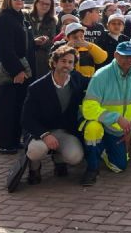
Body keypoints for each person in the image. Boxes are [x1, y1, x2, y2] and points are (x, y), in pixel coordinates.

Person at [80, 40, 131, 186]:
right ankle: (92, 168)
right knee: (93, 129)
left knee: (119, 167)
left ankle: (103, 150)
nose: (129, 60)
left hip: (119, 130)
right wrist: (116, 118)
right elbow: (88, 107)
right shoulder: (101, 75)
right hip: (101, 123)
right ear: (116, 55)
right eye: (125, 56)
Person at [21, 46, 89, 184]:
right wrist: (44, 135)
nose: (67, 65)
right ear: (54, 62)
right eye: (63, 61)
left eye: (70, 62)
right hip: (40, 132)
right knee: (36, 151)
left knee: (75, 157)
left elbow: (97, 82)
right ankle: (34, 168)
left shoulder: (77, 79)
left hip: (65, 131)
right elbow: (26, 118)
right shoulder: (37, 87)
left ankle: (58, 159)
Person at [0, 0, 36, 154]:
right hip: (11, 70)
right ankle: (1, 142)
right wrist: (17, 70)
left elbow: (21, 42)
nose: (20, 1)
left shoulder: (20, 17)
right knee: (5, 107)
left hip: (23, 70)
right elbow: (5, 49)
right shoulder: (4, 19)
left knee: (17, 106)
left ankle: (12, 140)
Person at [26, 0, 57, 80]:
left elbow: (52, 41)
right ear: (36, 3)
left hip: (43, 59)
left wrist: (44, 41)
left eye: (47, 4)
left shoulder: (52, 21)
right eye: (42, 2)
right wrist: (34, 41)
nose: (44, 6)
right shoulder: (26, 16)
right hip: (27, 56)